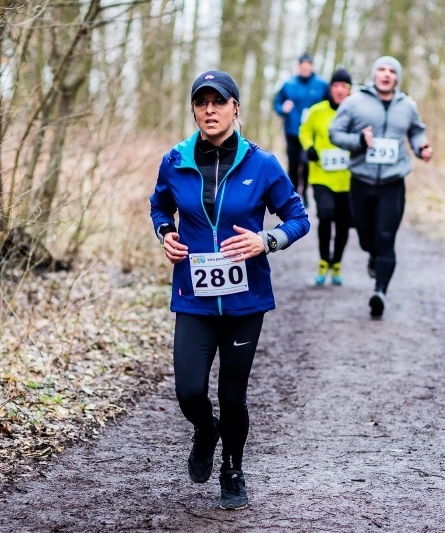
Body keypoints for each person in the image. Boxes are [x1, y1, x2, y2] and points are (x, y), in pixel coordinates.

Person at [149, 70, 310, 510]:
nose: (210, 110)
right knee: (189, 392)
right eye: (201, 103)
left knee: (232, 394)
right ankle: (206, 430)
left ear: (235, 108)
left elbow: (298, 216)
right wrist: (165, 231)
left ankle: (233, 469)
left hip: (245, 300)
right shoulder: (175, 160)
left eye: (218, 102)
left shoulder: (262, 165)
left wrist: (267, 240)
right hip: (193, 297)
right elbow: (160, 204)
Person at [329, 56, 433, 318]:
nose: (386, 75)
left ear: (397, 77)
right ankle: (373, 257)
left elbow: (416, 131)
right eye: (382, 70)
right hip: (361, 182)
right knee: (366, 239)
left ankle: (380, 292)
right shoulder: (355, 103)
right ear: (374, 74)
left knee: (386, 237)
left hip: (392, 183)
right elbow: (335, 133)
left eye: (392, 71)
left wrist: (422, 147)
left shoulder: (407, 105)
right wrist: (360, 142)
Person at [298, 67, 353, 286]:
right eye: (336, 86)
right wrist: (309, 146)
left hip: (348, 179)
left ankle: (337, 263)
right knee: (326, 214)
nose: (340, 90)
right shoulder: (317, 111)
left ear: (349, 90)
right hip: (321, 175)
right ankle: (323, 260)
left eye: (344, 86)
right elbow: (304, 131)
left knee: (343, 223)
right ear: (330, 89)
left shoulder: (354, 112)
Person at [273, 52, 329, 206]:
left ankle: (304, 193)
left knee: (307, 163)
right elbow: (277, 103)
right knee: (293, 162)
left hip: (312, 133)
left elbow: (329, 105)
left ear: (311, 66)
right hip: (292, 130)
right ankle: (292, 194)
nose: (305, 69)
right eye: (302, 67)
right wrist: (283, 109)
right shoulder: (289, 84)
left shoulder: (321, 84)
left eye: (307, 66)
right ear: (299, 67)